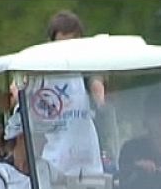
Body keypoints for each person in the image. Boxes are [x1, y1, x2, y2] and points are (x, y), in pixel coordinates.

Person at [8, 10, 106, 176]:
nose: (67, 52)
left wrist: (99, 92)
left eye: (73, 45)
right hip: (54, 167)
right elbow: (15, 90)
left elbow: (99, 87)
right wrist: (18, 92)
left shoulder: (85, 70)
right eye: (61, 45)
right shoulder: (39, 70)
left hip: (90, 166)